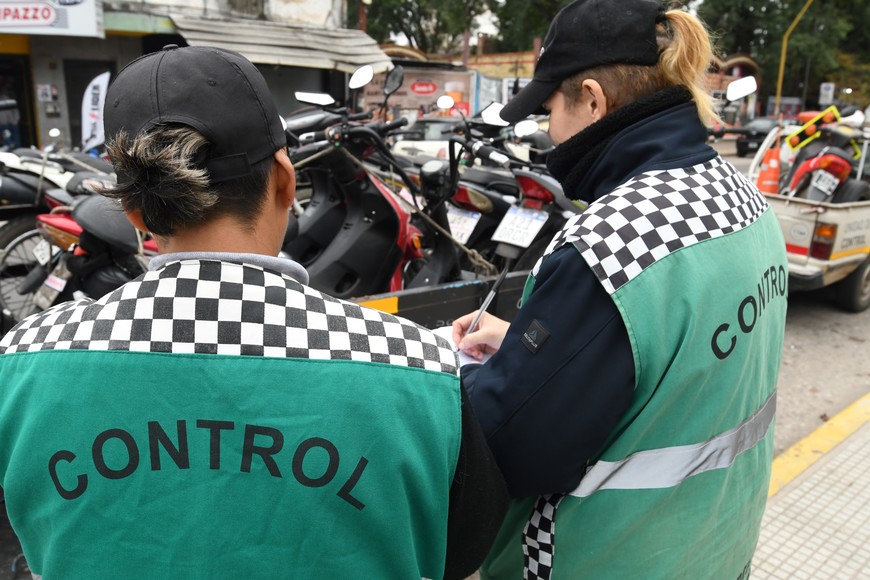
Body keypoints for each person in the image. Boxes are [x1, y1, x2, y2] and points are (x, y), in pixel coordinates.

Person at [0, 45, 507, 578]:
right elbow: (465, 553)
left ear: (133, 211)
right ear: (286, 179)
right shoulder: (419, 368)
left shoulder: (22, 361)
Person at [451, 1, 788, 578]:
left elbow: (512, 443)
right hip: (714, 548)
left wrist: (447, 379)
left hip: (601, 559)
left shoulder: (613, 244)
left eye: (550, 109)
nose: (549, 132)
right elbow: (671, 356)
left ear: (592, 99)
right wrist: (538, 349)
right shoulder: (740, 196)